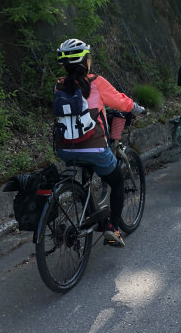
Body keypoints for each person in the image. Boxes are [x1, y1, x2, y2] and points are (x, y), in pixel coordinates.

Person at [54, 39, 144, 247]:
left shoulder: (58, 85)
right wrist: (138, 109)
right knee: (117, 181)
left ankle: (89, 210)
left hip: (65, 149)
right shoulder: (96, 82)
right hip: (93, 146)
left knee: (86, 164)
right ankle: (112, 228)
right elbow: (120, 101)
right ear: (86, 61)